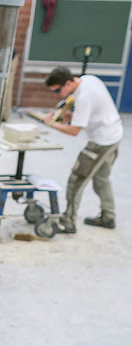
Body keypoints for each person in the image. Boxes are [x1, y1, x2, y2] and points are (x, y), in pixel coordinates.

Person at [43, 67, 123, 233]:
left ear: (68, 83)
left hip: (101, 142)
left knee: (76, 180)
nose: (58, 94)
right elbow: (88, 115)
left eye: (58, 90)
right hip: (115, 134)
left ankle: (68, 223)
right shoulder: (88, 79)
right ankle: (108, 216)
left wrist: (51, 123)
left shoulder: (83, 97)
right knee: (101, 178)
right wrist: (70, 118)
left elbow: (74, 131)